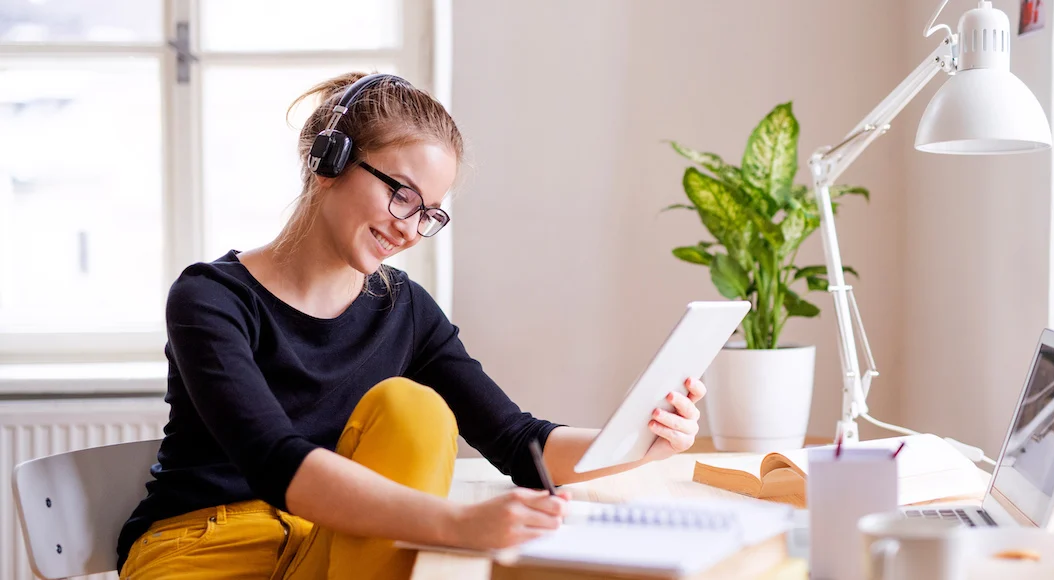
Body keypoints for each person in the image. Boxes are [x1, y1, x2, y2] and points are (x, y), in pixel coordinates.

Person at [116, 72, 706, 580]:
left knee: (414, 410)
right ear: (330, 162)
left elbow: (519, 442)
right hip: (205, 546)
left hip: (331, 541)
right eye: (402, 194)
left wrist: (639, 441)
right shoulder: (211, 298)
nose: (410, 229)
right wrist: (456, 524)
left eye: (430, 213)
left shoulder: (405, 309)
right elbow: (274, 459)